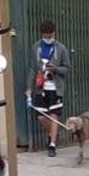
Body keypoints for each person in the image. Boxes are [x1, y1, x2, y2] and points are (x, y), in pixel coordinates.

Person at [25, 19, 71, 157]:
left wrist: (55, 69)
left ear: (54, 34)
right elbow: (33, 69)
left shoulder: (61, 48)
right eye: (45, 36)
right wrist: (29, 87)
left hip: (55, 88)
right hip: (41, 87)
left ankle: (52, 144)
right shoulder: (36, 48)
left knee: (54, 115)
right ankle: (53, 134)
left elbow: (67, 69)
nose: (48, 39)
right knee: (41, 117)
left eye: (50, 36)